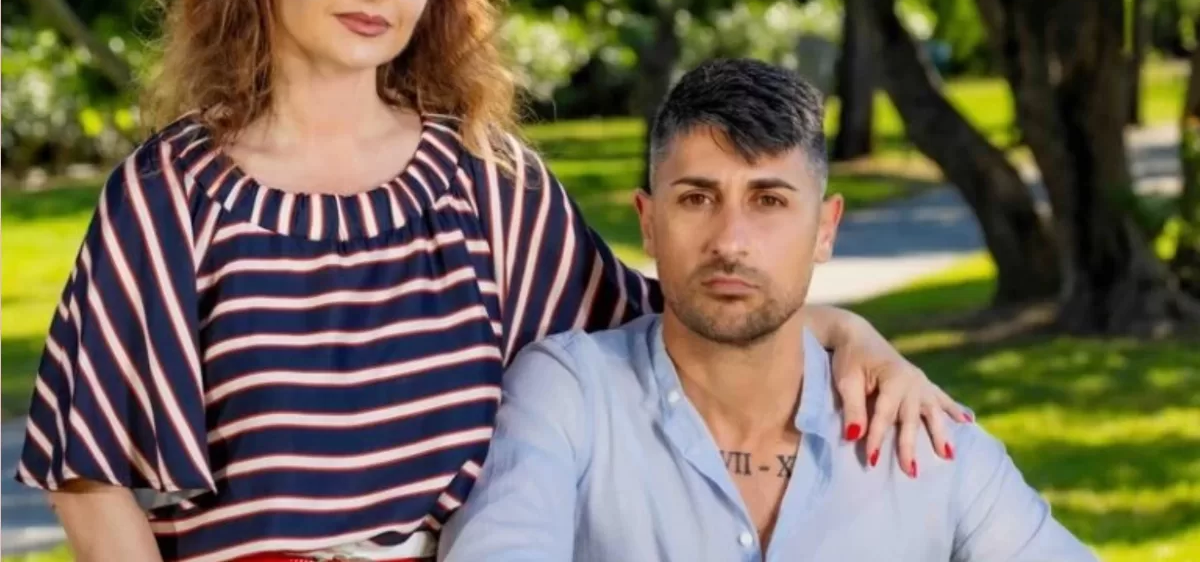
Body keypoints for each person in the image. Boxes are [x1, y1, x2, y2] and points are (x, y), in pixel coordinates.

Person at [15, 0, 967, 562]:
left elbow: (671, 335)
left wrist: (845, 334)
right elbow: (90, 478)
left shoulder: (485, 185)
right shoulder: (173, 194)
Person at [438, 59, 1098, 562]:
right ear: (648, 222)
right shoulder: (570, 394)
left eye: (769, 201)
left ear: (825, 229)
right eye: (697, 199)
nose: (730, 241)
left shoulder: (919, 434)